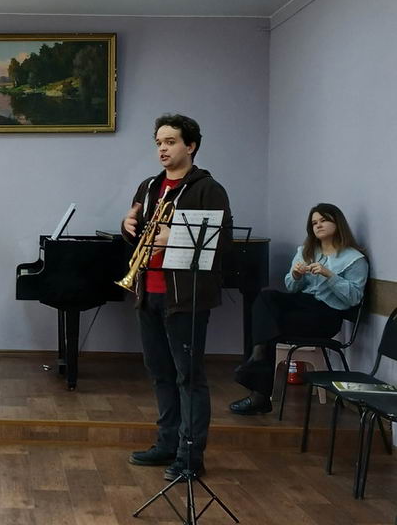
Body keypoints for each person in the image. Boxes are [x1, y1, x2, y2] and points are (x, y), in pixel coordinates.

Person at [122, 114, 232, 480]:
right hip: (148, 292)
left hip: (185, 298)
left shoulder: (208, 189)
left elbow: (221, 243)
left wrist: (177, 237)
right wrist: (127, 226)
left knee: (189, 377)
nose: (162, 149)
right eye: (159, 143)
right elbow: (140, 237)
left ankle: (190, 456)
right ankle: (166, 443)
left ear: (191, 145)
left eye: (170, 142)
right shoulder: (149, 187)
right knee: (160, 374)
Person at [230, 203, 367, 415]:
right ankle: (258, 358)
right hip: (303, 303)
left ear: (337, 223)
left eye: (324, 220)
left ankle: (258, 390)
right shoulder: (306, 251)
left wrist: (329, 275)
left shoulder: (354, 259)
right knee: (266, 298)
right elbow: (291, 288)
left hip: (326, 315)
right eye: (314, 223)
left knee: (269, 329)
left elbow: (353, 298)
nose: (318, 225)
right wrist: (295, 275)